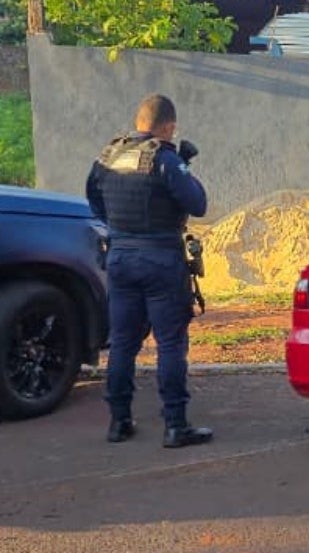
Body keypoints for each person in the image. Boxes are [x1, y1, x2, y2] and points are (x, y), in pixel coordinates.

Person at [86, 93, 213, 448]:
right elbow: (198, 204)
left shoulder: (109, 154)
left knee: (124, 342)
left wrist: (122, 230)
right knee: (170, 343)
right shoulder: (165, 158)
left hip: (121, 258)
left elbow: (94, 199)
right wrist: (184, 163)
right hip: (160, 260)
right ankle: (175, 426)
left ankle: (119, 422)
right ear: (168, 126)